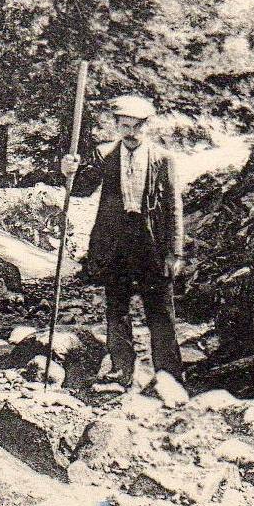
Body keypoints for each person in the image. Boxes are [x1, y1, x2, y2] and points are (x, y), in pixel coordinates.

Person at [61, 92, 185, 395]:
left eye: (136, 126)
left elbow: (174, 206)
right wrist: (69, 170)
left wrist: (175, 251)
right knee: (117, 308)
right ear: (117, 126)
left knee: (160, 309)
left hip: (151, 241)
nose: (130, 133)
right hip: (116, 240)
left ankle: (168, 374)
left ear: (147, 126)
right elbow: (81, 187)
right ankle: (121, 370)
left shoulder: (163, 159)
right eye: (124, 126)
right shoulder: (107, 156)